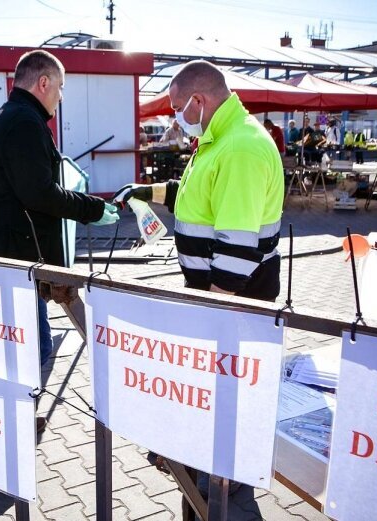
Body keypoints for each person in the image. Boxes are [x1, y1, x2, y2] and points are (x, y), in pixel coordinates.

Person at [113, 58, 283, 496]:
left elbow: (237, 247)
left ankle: (226, 481)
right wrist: (144, 191)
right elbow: (192, 195)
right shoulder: (218, 139)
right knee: (214, 393)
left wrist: (209, 310)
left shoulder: (241, 148)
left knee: (229, 393)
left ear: (198, 100)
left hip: (233, 298)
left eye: (176, 108)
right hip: (217, 296)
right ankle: (207, 464)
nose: (175, 118)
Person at [0, 50, 118, 402]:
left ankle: (14, 415)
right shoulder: (23, 123)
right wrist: (92, 209)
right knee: (31, 351)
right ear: (43, 82)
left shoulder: (16, 115)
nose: (61, 96)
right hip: (12, 262)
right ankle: (12, 419)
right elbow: (40, 194)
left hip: (12, 258)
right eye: (60, 87)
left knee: (32, 348)